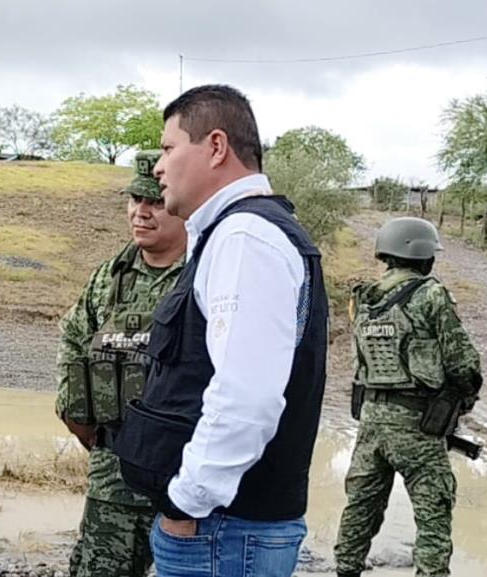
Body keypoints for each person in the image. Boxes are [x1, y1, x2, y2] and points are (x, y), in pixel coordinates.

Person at [113, 84, 329, 577]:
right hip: (228, 530)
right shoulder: (237, 233)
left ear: (215, 147)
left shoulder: (245, 237)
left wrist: (186, 503)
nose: (158, 167)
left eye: (169, 149)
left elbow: (247, 399)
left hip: (222, 533)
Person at [56, 151, 186, 577]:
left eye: (155, 202)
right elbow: (73, 341)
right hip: (113, 477)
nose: (141, 213)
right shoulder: (109, 277)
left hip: (186, 479)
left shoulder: (203, 275)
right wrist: (77, 415)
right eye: (135, 200)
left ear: (181, 205)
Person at [334, 217, 482, 577]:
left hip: (370, 418)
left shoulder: (365, 298)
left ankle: (345, 568)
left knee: (362, 503)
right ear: (424, 255)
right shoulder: (430, 294)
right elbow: (463, 364)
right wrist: (463, 398)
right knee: (434, 506)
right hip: (418, 422)